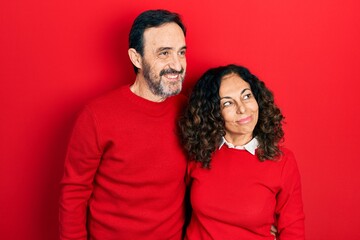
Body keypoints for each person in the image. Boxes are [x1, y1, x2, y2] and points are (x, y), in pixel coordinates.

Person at [59, 9, 188, 239]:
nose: (177, 65)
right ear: (136, 58)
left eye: (181, 52)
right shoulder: (96, 116)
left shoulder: (190, 111)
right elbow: (74, 193)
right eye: (164, 53)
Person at [179, 64, 305, 239]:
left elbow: (293, 230)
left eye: (246, 96)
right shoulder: (200, 153)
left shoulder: (282, 162)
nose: (242, 109)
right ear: (213, 113)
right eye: (228, 103)